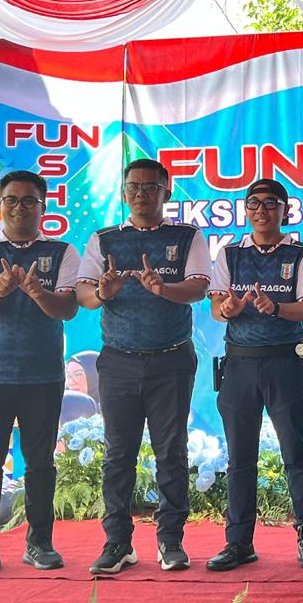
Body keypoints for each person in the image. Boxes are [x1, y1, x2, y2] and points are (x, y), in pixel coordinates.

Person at [76, 158, 210, 575]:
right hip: (118, 362)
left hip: (171, 360)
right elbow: (83, 294)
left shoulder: (187, 236)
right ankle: (117, 542)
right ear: (123, 192)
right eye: (133, 186)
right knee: (118, 455)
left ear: (166, 192)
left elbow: (199, 287)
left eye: (151, 187)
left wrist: (163, 288)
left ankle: (171, 540)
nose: (141, 194)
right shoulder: (104, 239)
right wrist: (103, 291)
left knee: (171, 452)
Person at [0, 170, 80, 571]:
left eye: (28, 201)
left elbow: (68, 308)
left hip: (43, 376)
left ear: (43, 206)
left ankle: (39, 543)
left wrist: (38, 292)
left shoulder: (62, 252)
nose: (19, 208)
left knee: (40, 463)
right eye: (11, 200)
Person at [205, 179, 303, 570]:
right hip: (239, 365)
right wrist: (229, 309)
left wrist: (275, 308)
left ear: (285, 211)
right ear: (246, 209)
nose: (261, 210)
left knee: (296, 453)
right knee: (240, 458)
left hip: (284, 363)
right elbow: (216, 308)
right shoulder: (230, 254)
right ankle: (239, 542)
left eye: (271, 203)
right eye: (253, 203)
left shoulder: (300, 254)